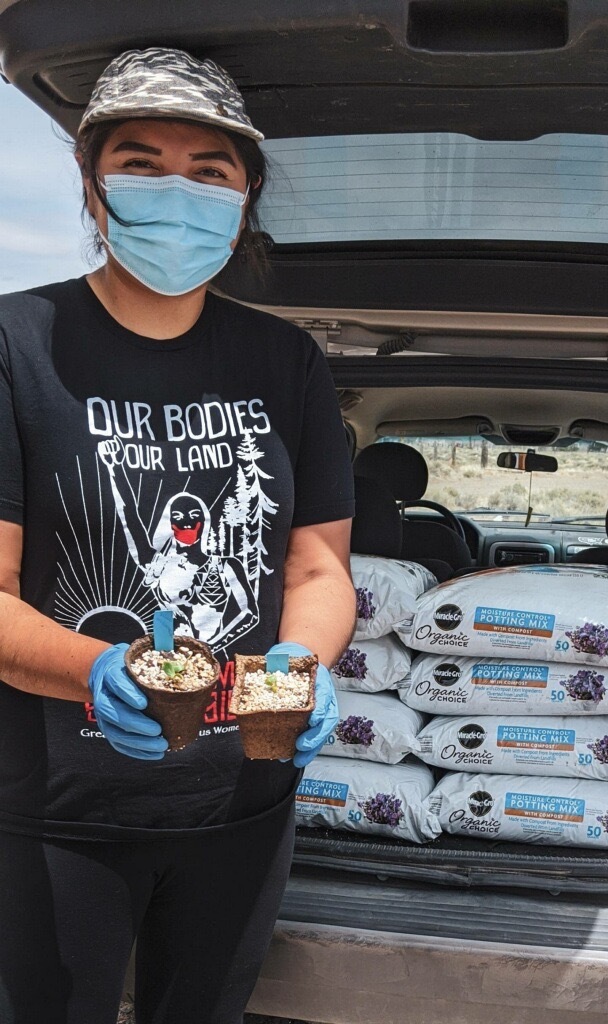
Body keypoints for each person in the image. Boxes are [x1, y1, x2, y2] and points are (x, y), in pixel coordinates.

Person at [0, 46, 356, 1024]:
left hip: (243, 806)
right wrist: (92, 670)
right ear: (90, 182)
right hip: (53, 816)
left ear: (245, 197)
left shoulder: (286, 362)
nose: (177, 191)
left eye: (210, 171)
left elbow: (320, 566)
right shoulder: (15, 344)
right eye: (143, 163)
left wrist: (304, 658)